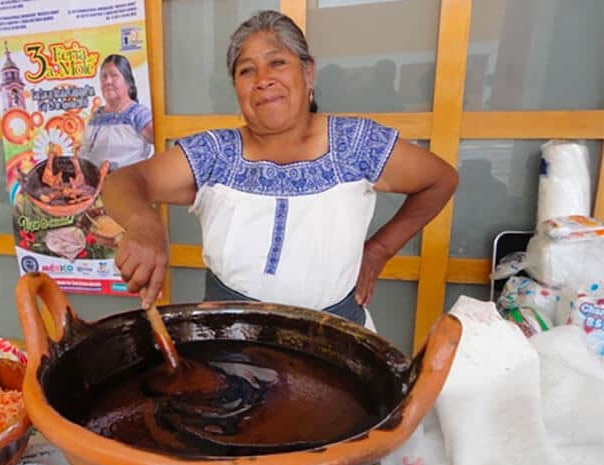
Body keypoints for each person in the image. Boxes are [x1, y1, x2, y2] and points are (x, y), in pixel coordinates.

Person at [101, 10, 458, 328]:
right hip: (232, 341)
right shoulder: (216, 152)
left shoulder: (355, 142)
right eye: (246, 70)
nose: (263, 79)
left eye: (277, 63)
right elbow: (124, 181)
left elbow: (440, 180)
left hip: (334, 343)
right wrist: (144, 224)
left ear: (308, 72)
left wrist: (379, 250)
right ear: (237, 87)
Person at [80, 54, 154, 170]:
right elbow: (84, 153)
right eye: (104, 77)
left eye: (114, 76)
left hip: (128, 185)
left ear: (128, 82)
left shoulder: (138, 114)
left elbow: (164, 144)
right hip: (96, 185)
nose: (108, 81)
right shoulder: (96, 117)